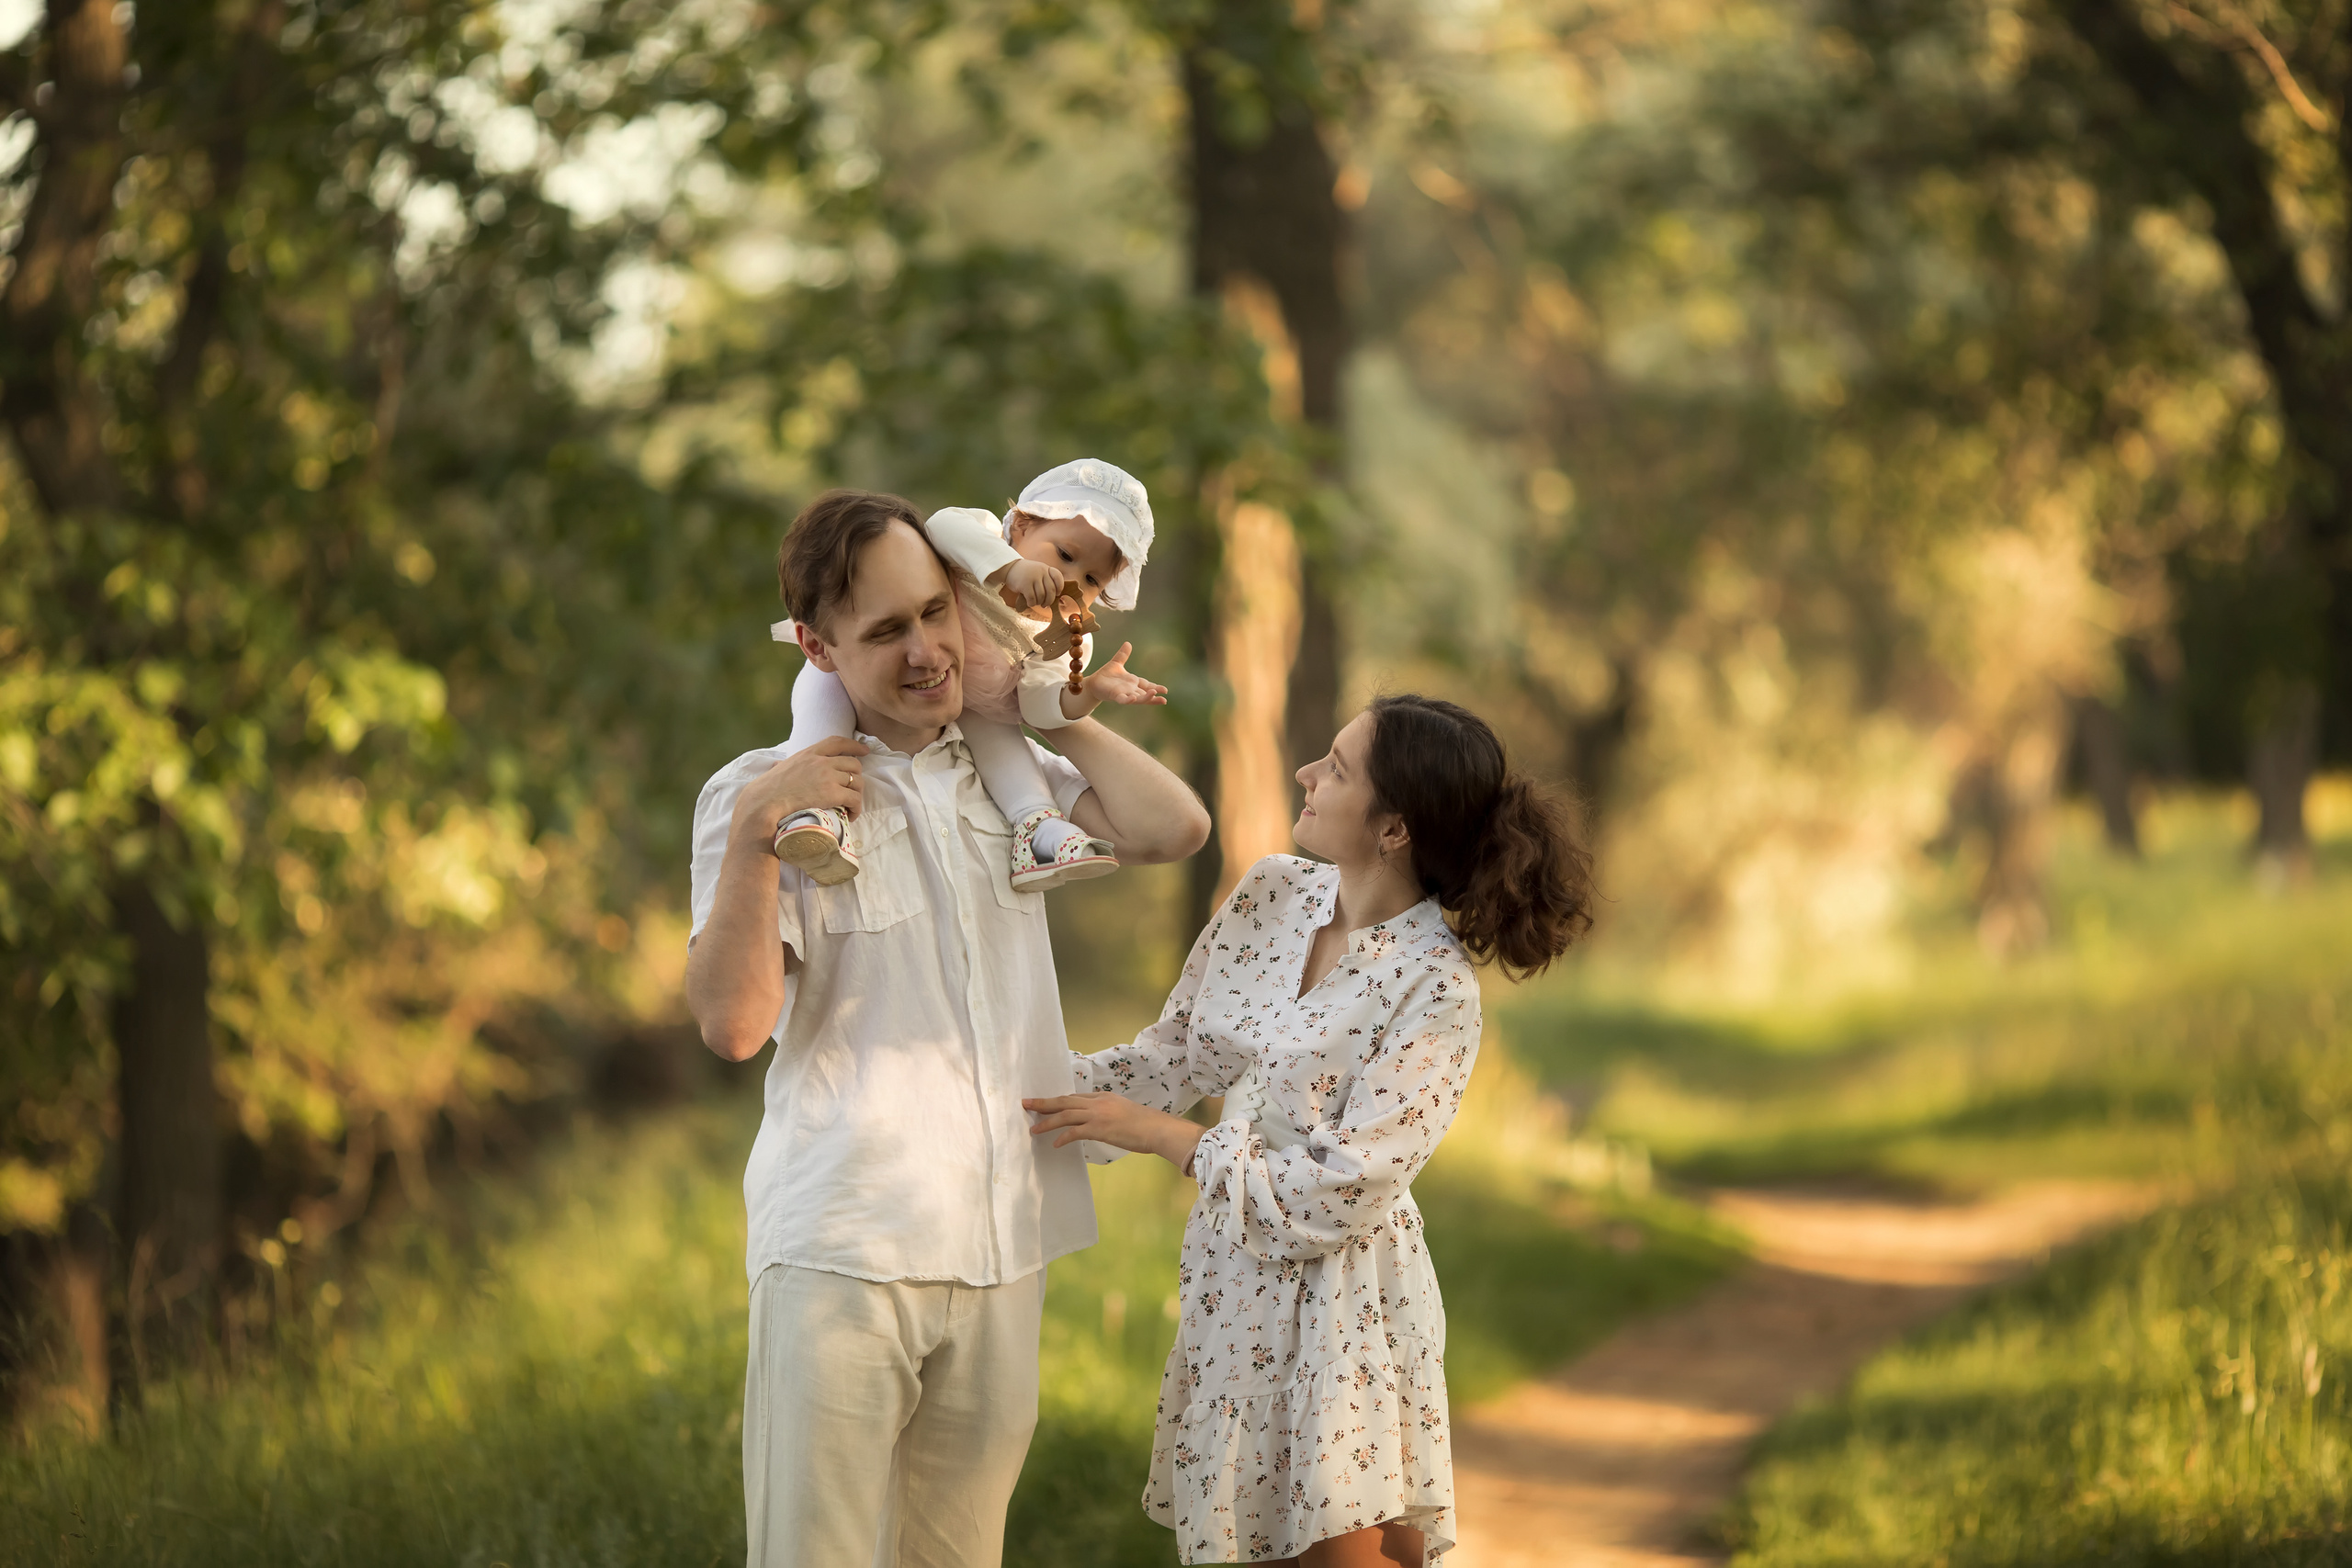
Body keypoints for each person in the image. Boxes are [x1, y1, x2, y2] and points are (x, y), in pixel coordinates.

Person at [684, 488, 1210, 1568]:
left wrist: (1041, 705)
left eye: (935, 612)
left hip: (1000, 1240)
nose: (925, 651)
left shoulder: (1004, 773)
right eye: (884, 631)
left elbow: (1174, 828)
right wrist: (752, 839)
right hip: (844, 1249)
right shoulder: (761, 797)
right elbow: (733, 1027)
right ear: (817, 651)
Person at [1024, 695, 1595, 1567]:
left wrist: (1168, 1140)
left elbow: (1342, 1190)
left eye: (1334, 767)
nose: (1306, 774)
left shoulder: (1435, 989)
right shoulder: (1271, 892)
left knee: (1347, 1554)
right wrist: (1019, 1086)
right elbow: (1177, 1057)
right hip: (1230, 1283)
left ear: (1394, 828)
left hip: (1346, 1299)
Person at [771, 458, 1166, 891]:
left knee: (1004, 744)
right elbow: (940, 527)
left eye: (1091, 579)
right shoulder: (981, 540)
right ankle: (815, 808)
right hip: (899, 670)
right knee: (823, 685)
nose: (1068, 579)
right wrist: (1010, 569)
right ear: (1023, 527)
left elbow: (1038, 705)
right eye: (1065, 555)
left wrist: (1087, 692)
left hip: (975, 698)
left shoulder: (1066, 635)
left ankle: (1036, 830)